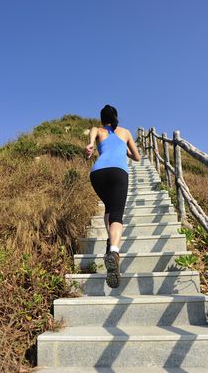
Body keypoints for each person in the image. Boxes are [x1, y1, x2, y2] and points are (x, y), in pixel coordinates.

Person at [85, 105, 141, 288]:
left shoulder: (98, 130)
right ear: (116, 117)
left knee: (109, 206)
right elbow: (137, 157)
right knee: (117, 214)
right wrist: (124, 149)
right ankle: (114, 252)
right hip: (118, 173)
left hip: (97, 173)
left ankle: (110, 243)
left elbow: (91, 140)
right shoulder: (125, 133)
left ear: (102, 118)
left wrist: (91, 145)